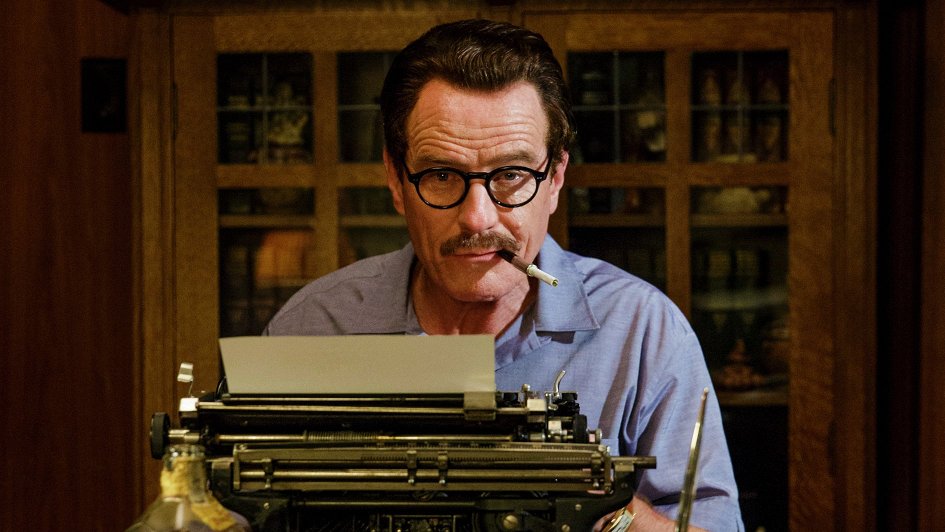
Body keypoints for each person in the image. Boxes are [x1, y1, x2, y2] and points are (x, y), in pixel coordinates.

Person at [264, 18, 743, 531]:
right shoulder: (314, 325)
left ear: (555, 178)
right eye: (442, 175)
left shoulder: (643, 331)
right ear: (397, 181)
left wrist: (603, 505)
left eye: (512, 175)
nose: (478, 219)